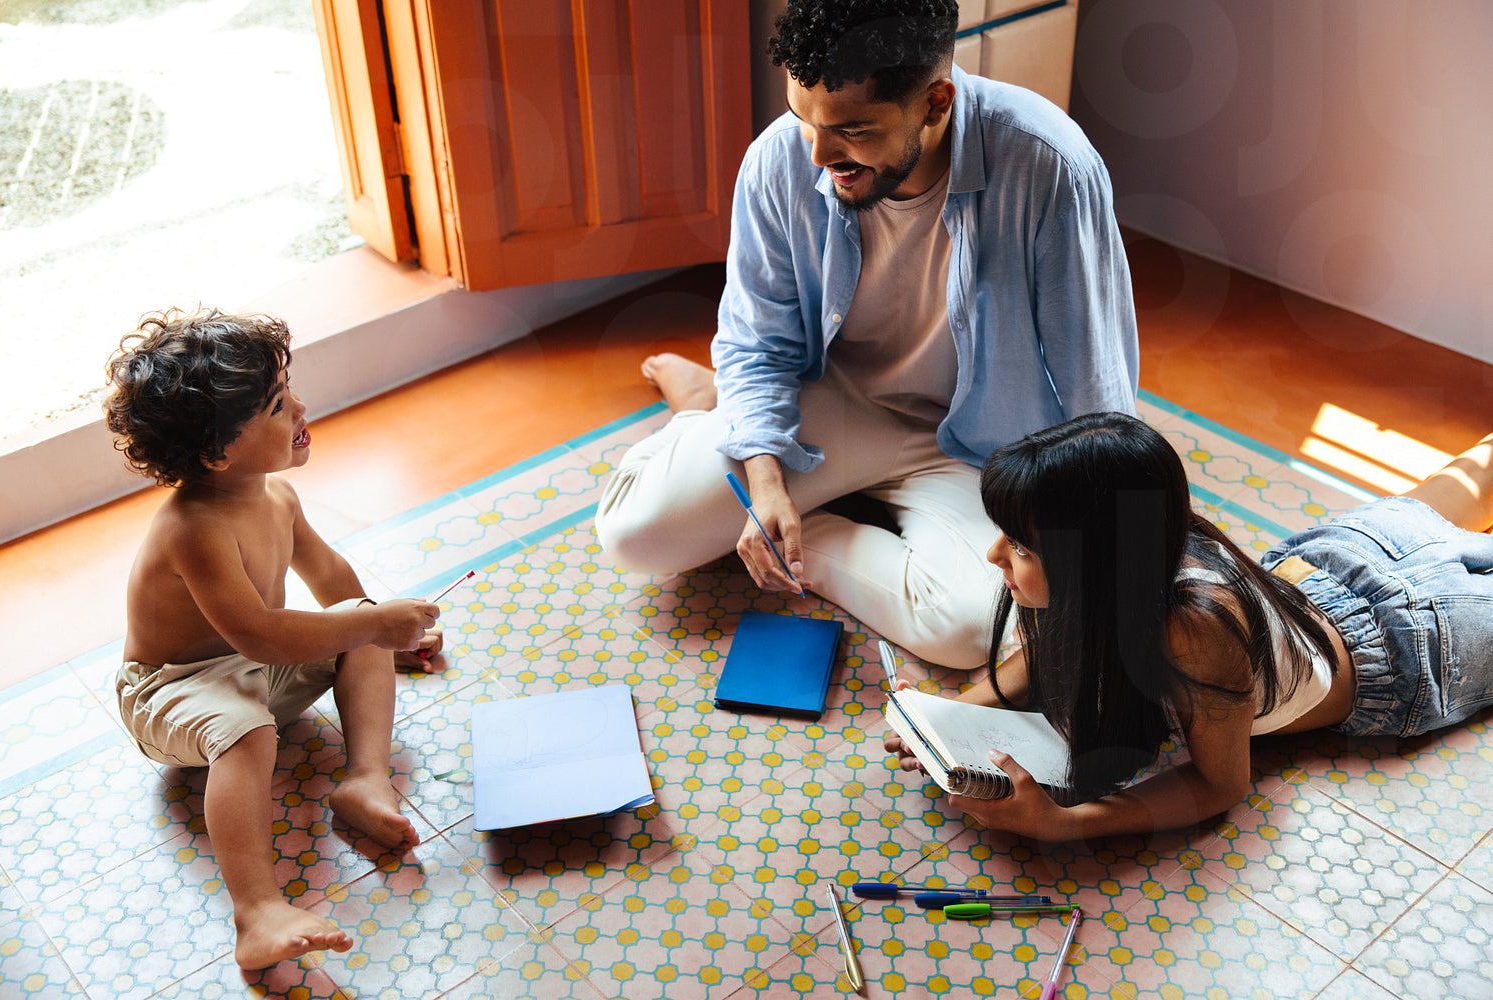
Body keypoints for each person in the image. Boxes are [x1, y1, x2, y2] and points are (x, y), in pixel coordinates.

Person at [595, 0, 1138, 668]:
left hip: (975, 449)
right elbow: (759, 344)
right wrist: (765, 484)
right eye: (804, 119)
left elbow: (1097, 389)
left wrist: (1105, 544)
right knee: (633, 535)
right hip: (831, 401)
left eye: (851, 130)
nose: (818, 154)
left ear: (936, 103)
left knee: (973, 629)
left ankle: (796, 503)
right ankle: (710, 414)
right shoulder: (778, 161)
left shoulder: (1049, 166)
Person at [886, 411, 1493, 840]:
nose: (994, 555)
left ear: (1093, 558)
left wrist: (1063, 824)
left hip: (1421, 646)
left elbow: (1218, 785)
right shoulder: (1132, 554)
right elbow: (1040, 660)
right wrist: (944, 721)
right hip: (1336, 559)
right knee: (1476, 472)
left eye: (1019, 545)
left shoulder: (1193, 629)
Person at [104, 309, 443, 969]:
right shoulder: (195, 529)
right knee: (248, 729)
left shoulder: (278, 496)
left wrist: (383, 632)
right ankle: (256, 912)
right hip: (171, 691)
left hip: (253, 668)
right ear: (218, 453)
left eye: (288, 393)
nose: (300, 409)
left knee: (360, 618)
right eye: (277, 407)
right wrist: (372, 625)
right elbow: (261, 635)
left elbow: (332, 582)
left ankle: (365, 780)